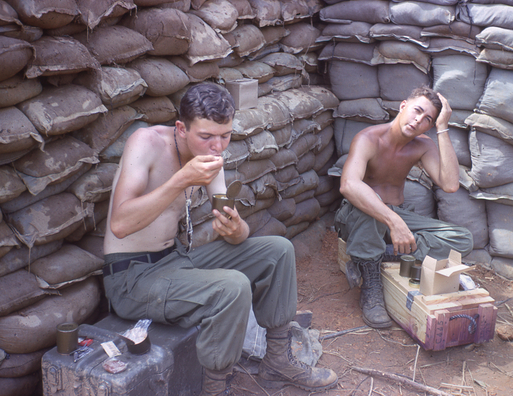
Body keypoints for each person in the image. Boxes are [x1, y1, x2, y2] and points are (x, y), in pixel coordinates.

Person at [103, 82, 338, 395]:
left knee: (278, 250)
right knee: (232, 286)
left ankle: (278, 361)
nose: (217, 147)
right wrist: (180, 181)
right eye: (206, 137)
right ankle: (215, 388)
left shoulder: (212, 159)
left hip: (173, 262)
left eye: (224, 136)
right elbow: (120, 224)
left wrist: (237, 226)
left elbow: (235, 233)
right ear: (181, 128)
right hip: (131, 278)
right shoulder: (146, 143)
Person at [334, 86, 474, 329]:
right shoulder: (369, 138)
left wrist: (442, 128)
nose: (418, 120)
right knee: (372, 207)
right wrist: (394, 222)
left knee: (462, 239)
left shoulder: (423, 145)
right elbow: (348, 185)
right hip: (359, 215)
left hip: (396, 215)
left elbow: (450, 184)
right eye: (416, 111)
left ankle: (381, 254)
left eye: (427, 119)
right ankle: (371, 286)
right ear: (403, 106)